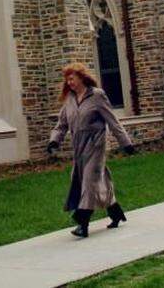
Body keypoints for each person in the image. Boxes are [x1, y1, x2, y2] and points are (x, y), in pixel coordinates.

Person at [46, 62, 136, 238]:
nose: (69, 82)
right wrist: (54, 141)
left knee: (88, 181)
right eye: (67, 79)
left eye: (72, 78)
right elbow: (61, 124)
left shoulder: (97, 96)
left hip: (96, 145)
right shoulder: (69, 99)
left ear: (81, 77)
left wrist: (126, 143)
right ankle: (115, 211)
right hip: (78, 147)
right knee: (91, 180)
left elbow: (113, 121)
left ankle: (82, 222)